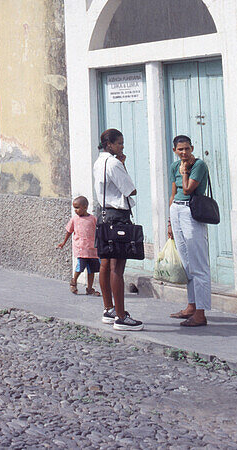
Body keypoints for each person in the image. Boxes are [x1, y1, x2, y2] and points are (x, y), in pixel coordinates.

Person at [93, 128, 143, 331]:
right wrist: (123, 164)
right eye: (119, 143)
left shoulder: (99, 162)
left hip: (104, 214)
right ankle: (121, 317)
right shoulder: (114, 163)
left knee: (105, 264)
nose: (122, 147)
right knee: (117, 268)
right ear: (109, 145)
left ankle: (109, 308)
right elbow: (131, 189)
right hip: (118, 216)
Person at [167, 134, 211, 327]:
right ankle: (191, 306)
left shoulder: (198, 165)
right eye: (180, 149)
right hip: (176, 210)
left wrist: (185, 171)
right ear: (175, 151)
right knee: (186, 262)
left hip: (191, 212)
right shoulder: (174, 166)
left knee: (198, 263)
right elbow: (173, 192)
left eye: (187, 149)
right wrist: (169, 221)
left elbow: (187, 190)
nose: (184, 153)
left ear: (192, 148)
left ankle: (201, 314)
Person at [58, 195, 99, 295]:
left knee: (91, 270)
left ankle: (89, 288)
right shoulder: (74, 219)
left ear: (85, 207)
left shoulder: (93, 219)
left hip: (92, 250)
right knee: (80, 267)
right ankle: (73, 282)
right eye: (74, 208)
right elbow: (69, 231)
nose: (75, 210)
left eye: (77, 208)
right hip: (81, 249)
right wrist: (63, 242)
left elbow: (99, 232)